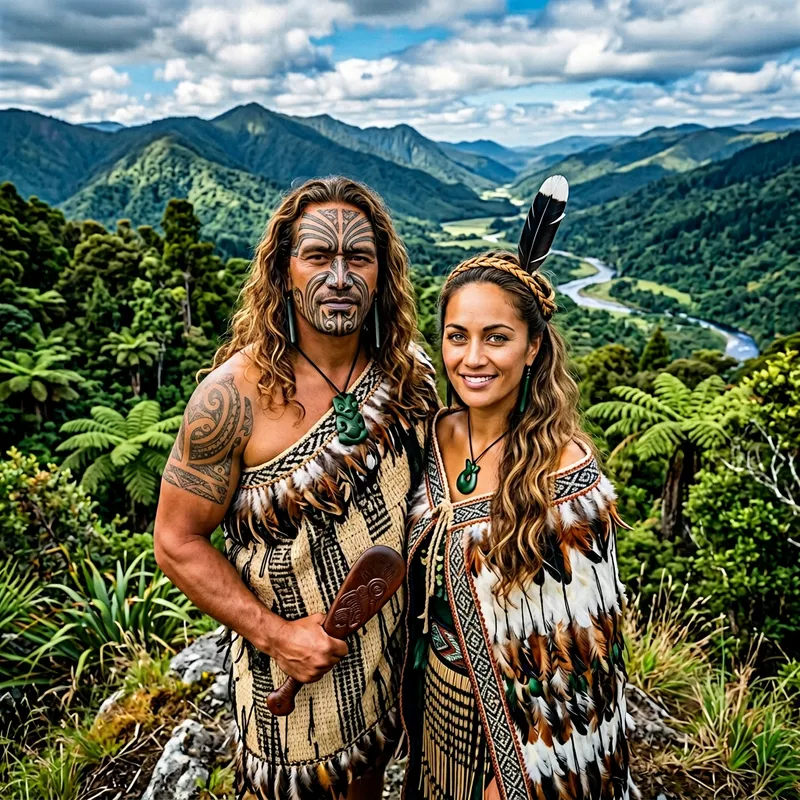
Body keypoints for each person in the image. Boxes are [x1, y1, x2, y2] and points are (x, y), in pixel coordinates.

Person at [153, 176, 438, 800]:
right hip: (288, 679)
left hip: (387, 654)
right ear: (285, 272)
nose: (339, 276)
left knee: (367, 777)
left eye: (358, 257)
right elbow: (176, 541)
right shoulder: (231, 398)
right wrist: (276, 635)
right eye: (317, 256)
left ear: (381, 274)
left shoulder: (407, 374)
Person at [400, 180, 636, 800]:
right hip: (439, 713)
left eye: (497, 337)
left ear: (532, 348)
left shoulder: (566, 479)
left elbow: (583, 660)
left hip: (526, 746)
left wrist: (518, 779)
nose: (472, 358)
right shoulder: (431, 436)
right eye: (457, 335)